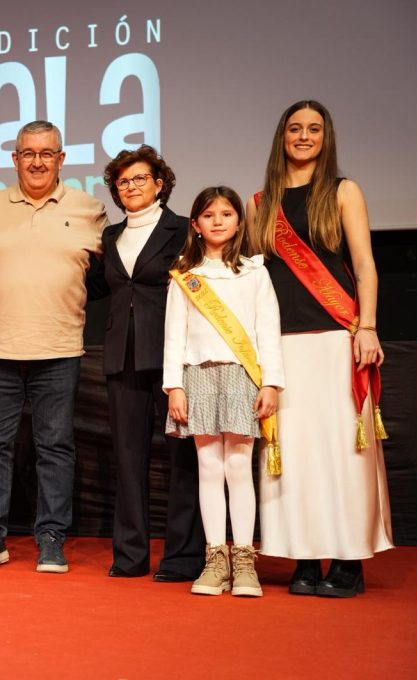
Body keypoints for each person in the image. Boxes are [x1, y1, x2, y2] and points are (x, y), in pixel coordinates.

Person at [247, 100, 393, 597]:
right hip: (281, 345)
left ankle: (348, 560)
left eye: (314, 129)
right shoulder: (260, 203)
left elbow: (364, 264)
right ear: (282, 136)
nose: (304, 136)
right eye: (295, 128)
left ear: (325, 137)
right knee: (294, 455)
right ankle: (305, 558)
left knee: (342, 454)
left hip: (335, 338)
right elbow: (256, 278)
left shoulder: (344, 191)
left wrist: (367, 326)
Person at [0, 121, 107, 573]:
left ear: (61, 159)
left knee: (55, 447)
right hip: (0, 348)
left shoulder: (89, 209)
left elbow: (111, 275)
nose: (37, 162)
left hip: (60, 348)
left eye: (47, 153)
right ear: (14, 159)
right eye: (28, 153)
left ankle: (51, 537)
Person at [89, 144, 206, 581]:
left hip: (174, 358)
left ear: (159, 184)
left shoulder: (183, 230)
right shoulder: (110, 237)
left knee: (183, 458)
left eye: (140, 178)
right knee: (128, 458)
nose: (131, 186)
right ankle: (130, 556)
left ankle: (183, 558)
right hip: (122, 357)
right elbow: (97, 287)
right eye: (122, 182)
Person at [163, 187, 284, 597]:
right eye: (209, 215)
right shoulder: (185, 275)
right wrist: (174, 386)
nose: (218, 221)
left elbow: (268, 331)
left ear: (239, 222)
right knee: (209, 467)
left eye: (227, 213)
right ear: (195, 224)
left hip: (242, 377)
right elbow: (174, 335)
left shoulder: (254, 272)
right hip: (197, 375)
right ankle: (215, 559)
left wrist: (271, 382)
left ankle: (245, 560)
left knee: (238, 465)